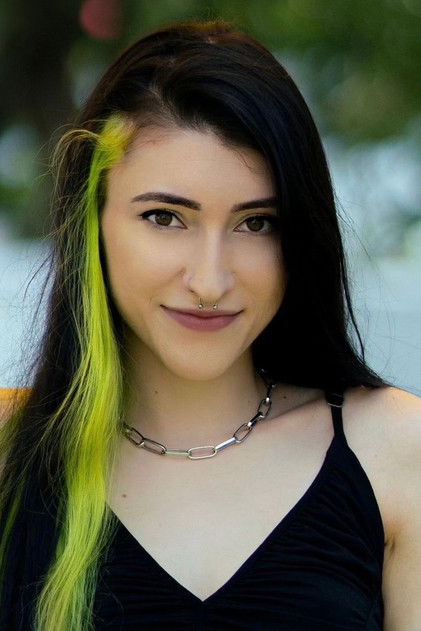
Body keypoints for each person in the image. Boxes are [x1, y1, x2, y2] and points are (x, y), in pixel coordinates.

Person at [0, 18, 420, 631]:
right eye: (165, 217)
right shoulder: (12, 454)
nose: (209, 281)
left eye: (257, 223)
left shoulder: (396, 451)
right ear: (91, 221)